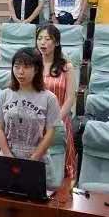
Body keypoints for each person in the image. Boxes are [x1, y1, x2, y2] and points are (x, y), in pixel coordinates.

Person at [0, 47, 62, 162]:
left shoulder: (49, 98)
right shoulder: (4, 95)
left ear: (36, 69)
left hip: (37, 159)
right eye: (17, 66)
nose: (20, 71)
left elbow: (50, 133)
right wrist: (7, 155)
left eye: (26, 67)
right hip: (7, 157)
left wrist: (34, 158)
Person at [37, 24, 77, 177]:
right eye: (39, 38)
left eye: (47, 39)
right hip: (36, 121)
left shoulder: (67, 67)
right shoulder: (33, 65)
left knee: (60, 171)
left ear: (57, 43)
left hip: (59, 120)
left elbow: (70, 98)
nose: (42, 42)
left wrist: (55, 120)